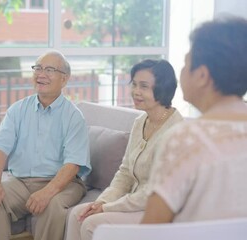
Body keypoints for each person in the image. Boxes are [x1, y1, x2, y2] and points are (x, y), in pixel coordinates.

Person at [141, 17, 247, 224]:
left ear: (202, 76)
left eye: (185, 63)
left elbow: (151, 229)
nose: (181, 72)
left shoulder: (186, 138)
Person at [66, 59, 184, 240]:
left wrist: (107, 208)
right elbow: (125, 173)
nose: (136, 91)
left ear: (163, 88)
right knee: (78, 214)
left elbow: (154, 191)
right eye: (134, 84)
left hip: (158, 210)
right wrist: (101, 202)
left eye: (144, 86)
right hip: (134, 204)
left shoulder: (175, 131)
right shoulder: (140, 122)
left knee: (92, 224)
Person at [0, 50, 91, 240]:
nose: (41, 74)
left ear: (64, 79)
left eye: (49, 70)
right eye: (38, 68)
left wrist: (47, 193)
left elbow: (73, 164)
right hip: (21, 182)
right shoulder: (18, 109)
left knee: (53, 205)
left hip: (62, 183)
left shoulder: (73, 116)